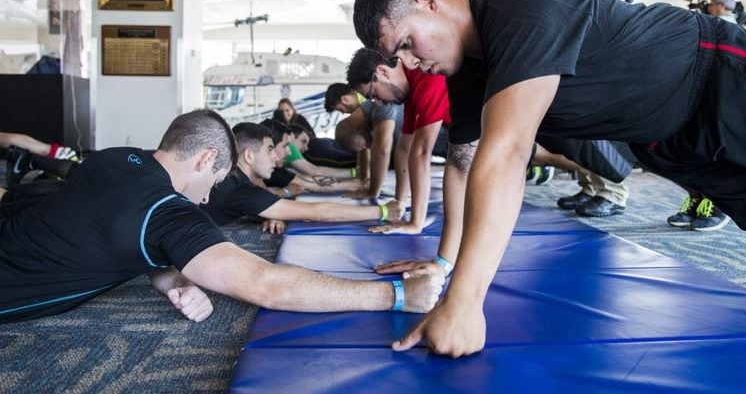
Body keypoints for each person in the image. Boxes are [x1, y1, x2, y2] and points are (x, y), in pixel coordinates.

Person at [352, 0, 746, 357]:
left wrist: (465, 301)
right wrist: (443, 267)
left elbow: (509, 151)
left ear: (427, 1)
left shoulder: (520, 5)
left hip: (722, 77)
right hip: (669, 138)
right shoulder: (468, 68)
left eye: (408, 45)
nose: (411, 65)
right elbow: (462, 165)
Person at [0, 109, 443, 324]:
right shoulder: (169, 214)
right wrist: (396, 295)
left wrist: (175, 277)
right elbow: (268, 284)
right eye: (215, 179)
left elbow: (116, 228)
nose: (212, 192)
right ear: (205, 158)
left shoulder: (117, 158)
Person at [535, 0, 638, 216]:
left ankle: (613, 191)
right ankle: (592, 184)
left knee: (600, 109)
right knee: (579, 111)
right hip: (577, 35)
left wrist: (615, 6)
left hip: (607, 27)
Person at [201, 122, 402, 234]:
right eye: (270, 149)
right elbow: (317, 211)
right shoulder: (240, 189)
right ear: (248, 155)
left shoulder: (231, 178)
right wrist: (384, 210)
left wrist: (273, 211)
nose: (276, 156)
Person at [346, 48, 450, 234]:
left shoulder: (426, 77)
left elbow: (422, 152)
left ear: (383, 72)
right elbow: (403, 149)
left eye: (373, 94)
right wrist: (400, 202)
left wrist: (415, 223)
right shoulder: (410, 91)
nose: (377, 102)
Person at [666, 0, 740, 232]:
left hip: (721, 101)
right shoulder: (711, 26)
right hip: (698, 96)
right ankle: (697, 199)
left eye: (710, 5)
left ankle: (718, 204)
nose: (707, 8)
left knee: (712, 153)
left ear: (721, 6)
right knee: (688, 151)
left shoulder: (732, 31)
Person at [331, 87, 407, 203]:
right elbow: (364, 151)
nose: (368, 147)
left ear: (359, 130)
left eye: (363, 145)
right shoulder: (366, 116)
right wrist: (364, 179)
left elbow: (382, 151)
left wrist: (372, 192)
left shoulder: (380, 105)